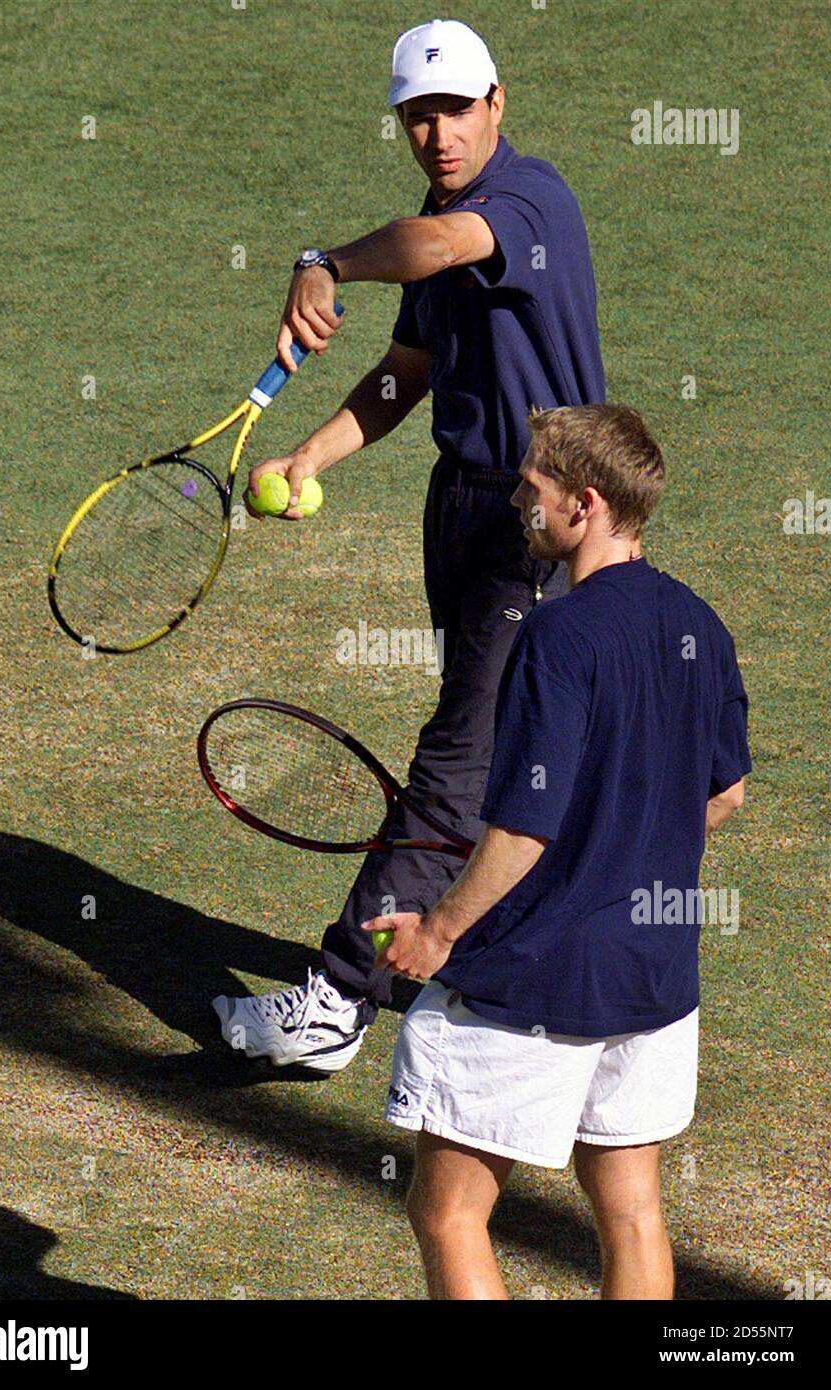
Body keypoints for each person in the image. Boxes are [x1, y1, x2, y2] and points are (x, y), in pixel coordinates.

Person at [213, 19, 606, 1070]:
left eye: (453, 110)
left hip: (539, 517)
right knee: (505, 751)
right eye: (415, 116)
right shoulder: (439, 218)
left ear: (496, 104)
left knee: (461, 756)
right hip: (466, 506)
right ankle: (487, 962)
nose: (435, 133)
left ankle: (339, 997)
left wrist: (323, 261)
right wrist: (312, 458)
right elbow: (405, 369)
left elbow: (435, 248)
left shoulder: (527, 202)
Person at [360, 403, 751, 1300]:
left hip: (538, 976)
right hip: (653, 974)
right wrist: (620, 848)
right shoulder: (699, 623)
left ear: (583, 503)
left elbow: (525, 829)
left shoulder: (558, 634)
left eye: (528, 490)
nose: (513, 503)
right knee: (629, 1210)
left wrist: (439, 933)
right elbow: (723, 792)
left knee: (449, 1211)